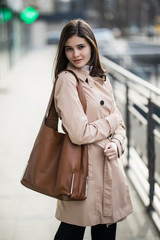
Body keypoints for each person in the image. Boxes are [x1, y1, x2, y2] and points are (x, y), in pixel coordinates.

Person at [53, 19, 132, 240]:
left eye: (81, 47)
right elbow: (79, 133)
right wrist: (112, 121)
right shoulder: (66, 81)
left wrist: (116, 144)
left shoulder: (101, 79)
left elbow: (120, 125)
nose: (75, 54)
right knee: (71, 232)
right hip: (82, 175)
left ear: (91, 46)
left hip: (110, 171)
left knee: (106, 234)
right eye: (69, 48)